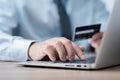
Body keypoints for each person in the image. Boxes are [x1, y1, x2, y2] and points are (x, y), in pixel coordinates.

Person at [0, 0, 114, 62]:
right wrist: (31, 47)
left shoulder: (91, 3)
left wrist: (106, 42)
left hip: (86, 65)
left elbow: (108, 31)